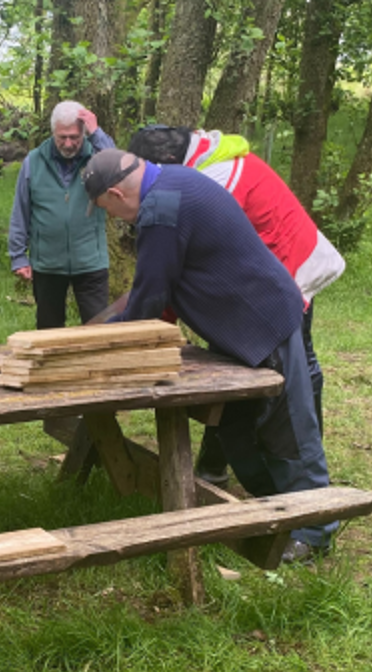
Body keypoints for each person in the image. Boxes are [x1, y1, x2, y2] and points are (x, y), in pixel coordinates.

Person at [83, 148, 336, 562]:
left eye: (107, 210)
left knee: (287, 429)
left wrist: (96, 341)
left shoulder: (160, 210)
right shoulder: (173, 180)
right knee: (235, 424)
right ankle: (275, 508)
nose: (114, 219)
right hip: (236, 329)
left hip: (263, 319)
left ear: (116, 193)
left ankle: (314, 530)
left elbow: (149, 296)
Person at [127, 126, 345, 485]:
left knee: (292, 372)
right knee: (238, 366)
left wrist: (153, 319)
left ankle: (303, 464)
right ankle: (216, 464)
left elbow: (189, 263)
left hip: (285, 268)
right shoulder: (199, 161)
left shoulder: (209, 181)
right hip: (267, 271)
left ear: (166, 161)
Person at [8, 101, 115, 329]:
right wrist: (18, 255)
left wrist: (97, 134)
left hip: (90, 261)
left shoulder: (96, 157)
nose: (68, 144)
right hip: (47, 262)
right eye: (62, 137)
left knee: (99, 330)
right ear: (53, 132)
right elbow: (21, 210)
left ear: (84, 133)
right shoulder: (34, 162)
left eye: (75, 137)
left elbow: (117, 168)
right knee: (48, 329)